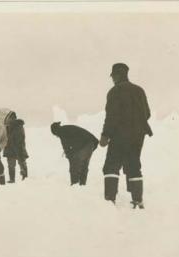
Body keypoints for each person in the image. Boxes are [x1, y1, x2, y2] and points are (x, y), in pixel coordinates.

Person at [100, 63, 153, 209]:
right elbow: (147, 113)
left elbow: (111, 116)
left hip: (119, 136)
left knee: (111, 165)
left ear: (116, 76)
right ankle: (137, 201)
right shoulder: (139, 91)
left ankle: (109, 201)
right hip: (137, 136)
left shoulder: (114, 92)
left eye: (113, 76)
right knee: (133, 165)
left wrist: (105, 135)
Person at [50, 122, 98, 186]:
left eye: (55, 135)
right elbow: (70, 147)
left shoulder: (61, 132)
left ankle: (75, 184)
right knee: (83, 165)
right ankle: (82, 185)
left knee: (75, 164)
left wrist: (69, 156)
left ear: (55, 131)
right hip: (91, 143)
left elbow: (66, 147)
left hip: (86, 144)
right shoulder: (66, 129)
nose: (56, 136)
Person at [3, 112, 29, 183]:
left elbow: (19, 138)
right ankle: (12, 179)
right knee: (12, 165)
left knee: (21, 163)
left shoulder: (18, 126)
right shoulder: (7, 127)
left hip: (18, 148)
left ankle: (25, 178)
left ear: (12, 118)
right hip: (10, 148)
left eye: (9, 118)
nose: (7, 119)